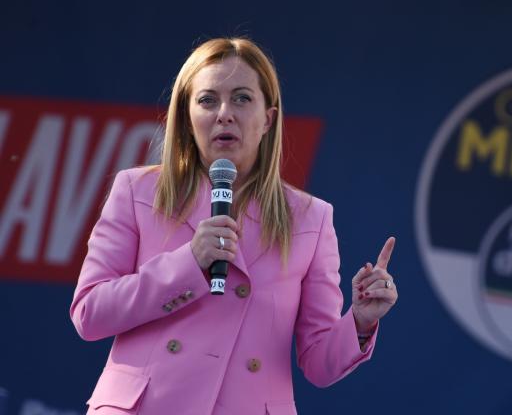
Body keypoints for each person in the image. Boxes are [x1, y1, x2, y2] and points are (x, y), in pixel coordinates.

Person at [69, 37, 398, 415]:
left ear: (268, 119)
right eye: (208, 100)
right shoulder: (137, 190)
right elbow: (89, 313)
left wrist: (360, 321)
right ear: (187, 117)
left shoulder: (311, 217)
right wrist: (188, 263)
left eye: (242, 98)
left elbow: (318, 364)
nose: (224, 113)